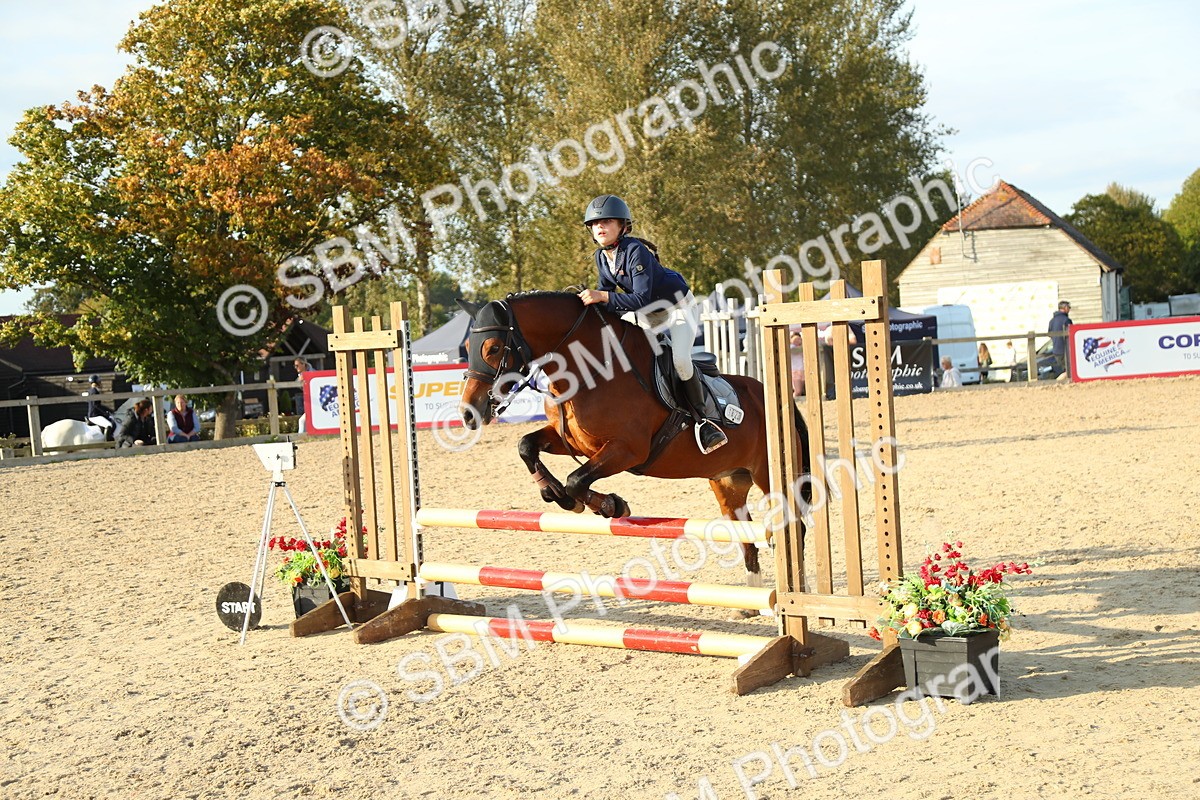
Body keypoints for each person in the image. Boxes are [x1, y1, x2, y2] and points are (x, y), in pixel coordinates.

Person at [576, 194, 726, 454]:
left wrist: (603, 297)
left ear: (623, 225)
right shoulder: (601, 257)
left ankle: (705, 420)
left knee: (679, 360)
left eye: (607, 221)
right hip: (648, 314)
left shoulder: (636, 251)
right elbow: (606, 294)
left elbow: (639, 298)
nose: (599, 227)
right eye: (594, 223)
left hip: (678, 309)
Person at [1048, 301, 1072, 375]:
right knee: (1069, 371)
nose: (1070, 309)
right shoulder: (1066, 320)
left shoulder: (1052, 321)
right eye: (1069, 307)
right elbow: (1071, 334)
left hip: (1056, 350)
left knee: (1063, 370)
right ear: (1065, 308)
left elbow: (1050, 334)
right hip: (1066, 350)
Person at [789, 330, 805, 398]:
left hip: (803, 370)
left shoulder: (803, 347)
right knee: (797, 391)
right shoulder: (791, 347)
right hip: (795, 371)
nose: (797, 341)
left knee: (800, 391)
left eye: (799, 339)